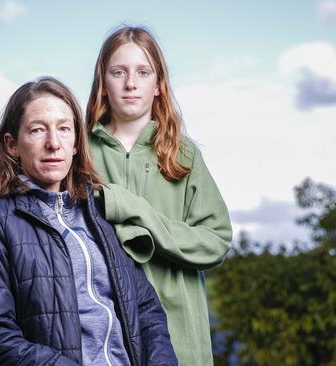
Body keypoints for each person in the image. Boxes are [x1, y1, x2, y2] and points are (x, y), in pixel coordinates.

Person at [0, 76, 178, 366]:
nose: (53, 143)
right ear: (12, 145)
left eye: (64, 129)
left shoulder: (100, 215)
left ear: (75, 144)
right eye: (37, 130)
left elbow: (147, 312)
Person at [86, 26, 233, 366]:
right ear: (103, 84)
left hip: (178, 330)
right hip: (105, 332)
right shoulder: (79, 152)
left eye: (143, 72)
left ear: (158, 85)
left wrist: (136, 212)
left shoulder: (182, 153)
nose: (130, 83)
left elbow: (216, 239)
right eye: (118, 72)